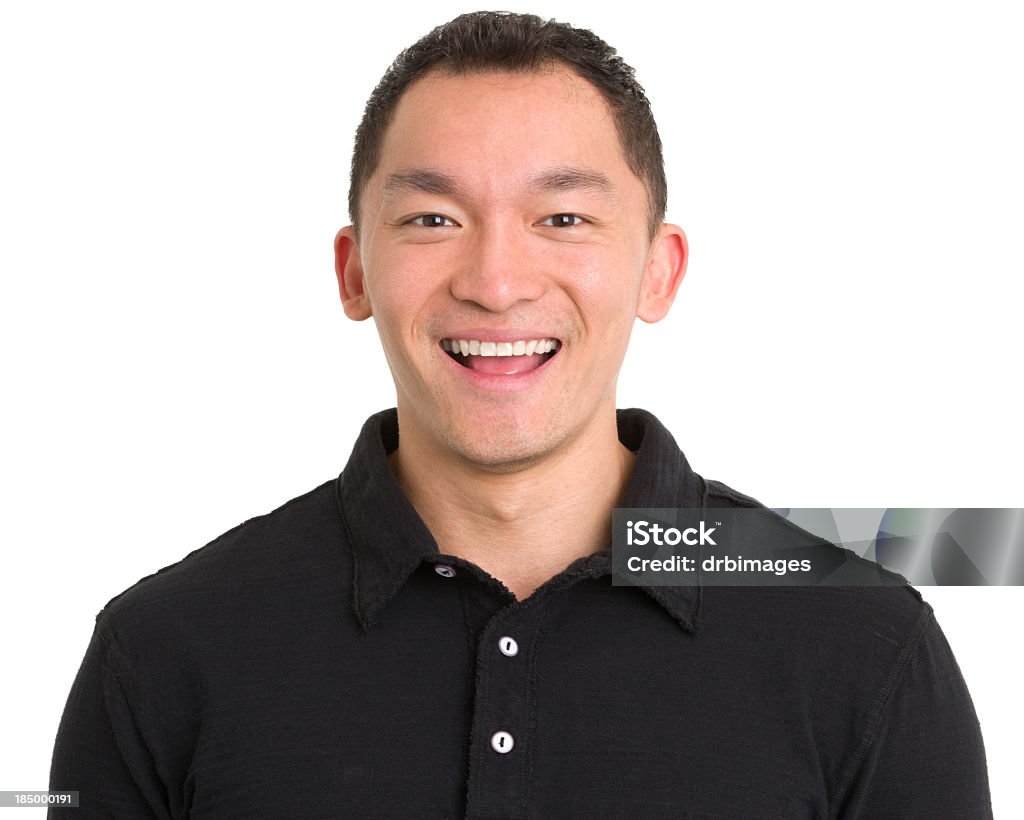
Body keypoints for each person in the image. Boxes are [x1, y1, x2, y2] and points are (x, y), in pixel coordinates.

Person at [48, 11, 992, 818]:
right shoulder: (164, 654)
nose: (497, 283)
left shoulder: (865, 652)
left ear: (658, 271)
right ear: (353, 272)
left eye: (563, 219)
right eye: (432, 220)